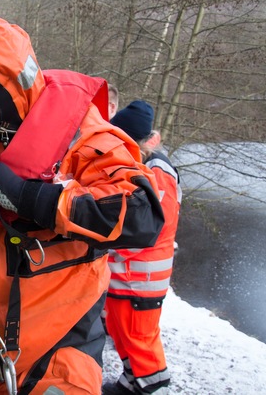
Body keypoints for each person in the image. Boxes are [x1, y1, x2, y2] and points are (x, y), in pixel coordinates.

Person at [0, 17, 165, 394]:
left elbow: (143, 215)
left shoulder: (87, 139)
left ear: (14, 91)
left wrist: (34, 198)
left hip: (60, 351)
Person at [103, 101, 182, 395]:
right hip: (125, 274)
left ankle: (153, 387)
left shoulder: (157, 171)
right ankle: (131, 382)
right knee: (122, 333)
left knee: (140, 339)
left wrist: (109, 247)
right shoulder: (138, 165)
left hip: (141, 278)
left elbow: (150, 226)